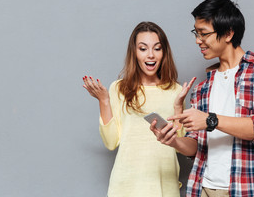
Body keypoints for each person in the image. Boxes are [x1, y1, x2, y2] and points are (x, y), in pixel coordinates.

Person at [150, 0, 254, 197]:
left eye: (204, 33)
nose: (198, 40)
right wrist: (173, 141)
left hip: (247, 189)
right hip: (202, 188)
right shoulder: (202, 88)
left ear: (229, 33)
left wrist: (209, 120)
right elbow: (195, 147)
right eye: (196, 33)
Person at [82, 21, 195, 197]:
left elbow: (180, 145)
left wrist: (178, 106)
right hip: (126, 185)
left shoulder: (176, 91)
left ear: (164, 52)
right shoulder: (118, 88)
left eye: (157, 48)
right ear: (134, 53)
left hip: (164, 184)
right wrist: (104, 101)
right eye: (143, 49)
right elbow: (111, 142)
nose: (150, 55)